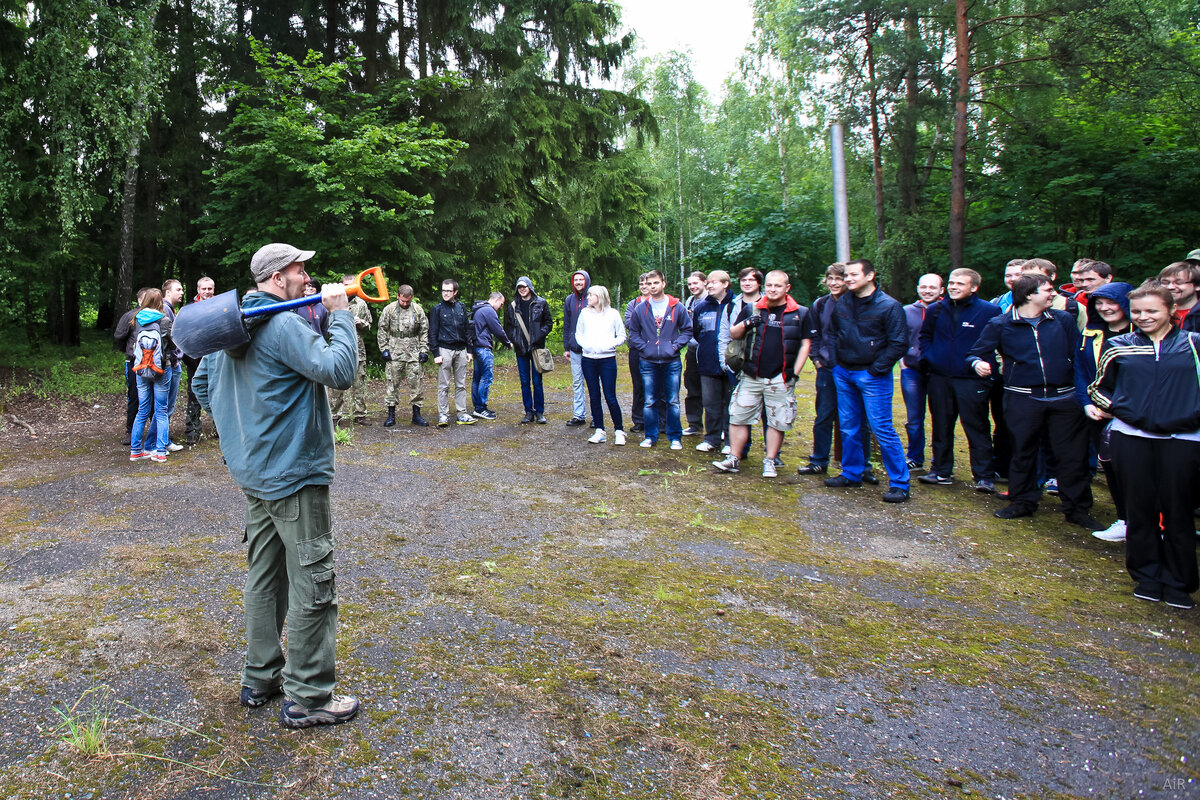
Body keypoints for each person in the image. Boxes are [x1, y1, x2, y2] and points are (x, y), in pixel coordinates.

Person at [191, 242, 360, 728]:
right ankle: (309, 695)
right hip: (293, 476)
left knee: (265, 577)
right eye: (299, 269)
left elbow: (204, 388)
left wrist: (242, 433)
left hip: (255, 476)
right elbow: (340, 371)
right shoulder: (284, 324)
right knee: (314, 580)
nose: (307, 277)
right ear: (276, 277)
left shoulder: (231, 325)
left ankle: (260, 676)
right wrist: (341, 314)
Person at [1088, 281, 1200, 610]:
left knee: (1177, 511)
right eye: (1137, 311)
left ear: (1171, 311)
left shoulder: (1193, 345)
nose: (1143, 317)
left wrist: (1191, 416)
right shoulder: (1119, 345)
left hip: (1183, 440)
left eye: (1152, 311)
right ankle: (1147, 576)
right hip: (1132, 437)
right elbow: (1098, 388)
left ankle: (1179, 582)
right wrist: (1121, 408)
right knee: (1140, 510)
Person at [966, 272, 1098, 527]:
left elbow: (1077, 356)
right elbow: (974, 354)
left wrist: (1083, 394)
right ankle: (1022, 502)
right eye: (1047, 289)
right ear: (1028, 295)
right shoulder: (1001, 324)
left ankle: (1077, 509)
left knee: (1072, 456)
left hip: (1064, 398)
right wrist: (978, 364)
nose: (1053, 293)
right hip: (1022, 399)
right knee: (1023, 452)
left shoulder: (1062, 320)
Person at [823, 259, 911, 503]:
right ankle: (852, 473)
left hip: (872, 376)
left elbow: (899, 343)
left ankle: (900, 483)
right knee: (848, 427)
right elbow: (831, 334)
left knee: (882, 429)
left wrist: (876, 370)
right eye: (846, 275)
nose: (847, 279)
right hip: (844, 372)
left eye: (853, 275)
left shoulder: (889, 306)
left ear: (870, 275)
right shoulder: (843, 303)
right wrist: (835, 363)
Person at [711, 270, 809, 478]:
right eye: (770, 285)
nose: (773, 289)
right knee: (738, 416)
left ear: (787, 288)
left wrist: (794, 374)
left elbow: (805, 345)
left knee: (776, 420)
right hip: (751, 374)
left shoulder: (799, 312)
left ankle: (770, 460)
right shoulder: (752, 308)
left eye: (778, 286)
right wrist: (747, 322)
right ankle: (734, 458)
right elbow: (734, 334)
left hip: (780, 377)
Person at [916, 269, 1000, 491]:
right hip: (939, 377)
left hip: (971, 379)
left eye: (960, 284)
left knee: (976, 426)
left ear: (973, 287)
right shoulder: (936, 309)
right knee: (941, 425)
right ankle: (941, 471)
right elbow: (925, 336)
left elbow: (995, 342)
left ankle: (984, 476)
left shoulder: (989, 311)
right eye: (951, 283)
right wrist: (929, 358)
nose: (953, 287)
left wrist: (985, 366)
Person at [795, 264, 874, 481]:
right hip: (828, 370)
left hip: (856, 369)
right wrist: (818, 360)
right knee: (824, 416)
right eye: (830, 278)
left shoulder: (860, 304)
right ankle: (819, 461)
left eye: (839, 278)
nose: (834, 283)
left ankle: (863, 466)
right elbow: (814, 335)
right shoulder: (820, 304)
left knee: (859, 419)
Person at [1074, 282, 1133, 542]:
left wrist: (1117, 407)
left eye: (1111, 302)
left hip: (1132, 414)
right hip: (1097, 411)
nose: (1105, 308)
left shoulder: (1140, 333)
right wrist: (1087, 402)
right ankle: (1125, 519)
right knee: (1112, 468)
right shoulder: (1091, 333)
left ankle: (1151, 522)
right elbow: (1081, 369)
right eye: (1099, 303)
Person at [626, 269, 692, 450]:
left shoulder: (676, 306)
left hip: (671, 361)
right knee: (649, 400)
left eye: (655, 283)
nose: (652, 287)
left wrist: (674, 346)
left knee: (672, 400)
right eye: (649, 284)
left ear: (663, 283)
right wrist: (645, 347)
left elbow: (687, 330)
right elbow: (633, 332)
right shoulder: (641, 308)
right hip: (648, 361)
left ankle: (675, 437)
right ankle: (650, 435)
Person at [901, 273, 943, 470]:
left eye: (933, 287)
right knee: (914, 417)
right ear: (918, 288)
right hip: (911, 370)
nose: (928, 291)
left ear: (941, 290)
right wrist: (902, 362)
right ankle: (915, 456)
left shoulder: (948, 310)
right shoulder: (907, 311)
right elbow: (899, 338)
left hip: (939, 372)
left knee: (941, 417)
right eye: (924, 287)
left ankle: (940, 461)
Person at [574, 285, 627, 445]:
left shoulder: (613, 314)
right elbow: (579, 334)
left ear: (600, 296)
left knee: (610, 396)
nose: (588, 297)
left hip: (607, 359)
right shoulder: (584, 314)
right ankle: (599, 430)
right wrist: (586, 346)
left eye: (591, 295)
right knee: (594, 395)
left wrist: (610, 345)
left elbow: (622, 335)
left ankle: (619, 430)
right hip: (588, 359)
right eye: (588, 295)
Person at [128, 288, 174, 463]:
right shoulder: (165, 320)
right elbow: (172, 342)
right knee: (161, 411)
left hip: (140, 369)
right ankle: (160, 451)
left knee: (142, 410)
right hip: (161, 368)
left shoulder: (136, 319)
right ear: (160, 302)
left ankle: (135, 451)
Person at [377, 284, 430, 427]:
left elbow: (424, 331)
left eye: (408, 301)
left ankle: (417, 415)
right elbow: (382, 329)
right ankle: (391, 415)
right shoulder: (390, 309)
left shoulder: (418, 310)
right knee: (392, 383)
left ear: (411, 297)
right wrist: (384, 349)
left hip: (413, 350)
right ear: (398, 296)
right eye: (403, 301)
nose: (405, 304)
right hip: (395, 350)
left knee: (416, 383)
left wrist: (424, 350)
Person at [691, 270, 732, 453]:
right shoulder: (702, 307)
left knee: (731, 404)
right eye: (708, 282)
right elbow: (697, 332)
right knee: (711, 403)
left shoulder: (735, 304)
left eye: (714, 282)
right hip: (707, 361)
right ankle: (712, 439)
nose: (709, 285)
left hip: (732, 363)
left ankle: (731, 442)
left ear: (725, 284)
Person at [503, 276, 553, 424]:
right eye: (519, 287)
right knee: (524, 382)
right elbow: (508, 327)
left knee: (537, 381)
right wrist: (516, 340)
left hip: (537, 348)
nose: (522, 289)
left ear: (530, 286)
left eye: (524, 286)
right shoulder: (513, 306)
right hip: (521, 349)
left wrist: (539, 334)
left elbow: (548, 323)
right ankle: (528, 412)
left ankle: (540, 412)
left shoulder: (541, 303)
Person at [428, 278, 476, 426]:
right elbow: (432, 332)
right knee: (444, 385)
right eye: (443, 290)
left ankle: (462, 413)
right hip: (445, 350)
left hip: (461, 350)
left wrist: (470, 350)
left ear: (455, 292)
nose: (446, 293)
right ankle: (443, 415)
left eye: (449, 291)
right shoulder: (437, 309)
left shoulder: (461, 307)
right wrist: (436, 353)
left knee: (460, 384)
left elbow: (467, 330)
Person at [146, 279, 186, 453]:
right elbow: (169, 341)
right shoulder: (166, 311)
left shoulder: (169, 310)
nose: (182, 292)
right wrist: (175, 358)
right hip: (170, 364)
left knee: (164, 407)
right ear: (167, 293)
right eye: (178, 289)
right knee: (165, 407)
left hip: (169, 363)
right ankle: (155, 443)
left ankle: (161, 441)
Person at [328, 273, 372, 426]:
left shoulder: (361, 303)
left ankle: (360, 414)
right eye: (346, 285)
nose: (350, 288)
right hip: (339, 349)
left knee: (359, 383)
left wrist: (361, 322)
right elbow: (326, 325)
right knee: (336, 384)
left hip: (358, 349)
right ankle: (335, 415)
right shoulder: (333, 303)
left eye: (352, 284)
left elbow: (369, 325)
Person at [114, 287, 152, 446]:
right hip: (133, 363)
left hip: (153, 364)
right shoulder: (130, 316)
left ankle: (156, 432)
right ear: (139, 300)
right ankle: (130, 431)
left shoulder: (157, 317)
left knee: (156, 398)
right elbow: (119, 337)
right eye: (146, 298)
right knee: (134, 397)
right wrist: (130, 352)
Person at [183, 277, 217, 447]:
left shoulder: (220, 307)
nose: (207, 292)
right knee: (194, 394)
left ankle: (219, 427)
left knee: (219, 394)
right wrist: (188, 358)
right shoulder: (188, 309)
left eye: (209, 289)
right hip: (195, 360)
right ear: (198, 290)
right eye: (204, 289)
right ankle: (192, 430)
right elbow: (182, 336)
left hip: (217, 359)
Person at [471, 291, 512, 419]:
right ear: (496, 300)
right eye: (501, 304)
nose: (501, 307)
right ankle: (481, 407)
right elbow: (498, 329)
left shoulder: (479, 309)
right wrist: (508, 343)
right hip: (483, 347)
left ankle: (478, 407)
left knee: (477, 377)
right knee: (486, 377)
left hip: (476, 347)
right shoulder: (488, 311)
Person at [562, 270, 592, 427]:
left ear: (586, 281)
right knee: (577, 382)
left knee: (593, 383)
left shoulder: (593, 297)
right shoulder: (569, 300)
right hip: (575, 348)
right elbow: (567, 324)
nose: (579, 282)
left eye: (581, 279)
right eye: (576, 280)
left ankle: (596, 416)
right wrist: (566, 346)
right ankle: (579, 415)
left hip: (592, 349)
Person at [681, 270, 708, 435]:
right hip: (692, 350)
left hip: (707, 350)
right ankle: (694, 423)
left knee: (712, 391)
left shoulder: (711, 301)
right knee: (692, 388)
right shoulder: (690, 301)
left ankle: (718, 428)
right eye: (690, 284)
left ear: (704, 282)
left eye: (695, 283)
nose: (692, 287)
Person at [1158, 261, 1200, 331]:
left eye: (1179, 282)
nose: (1170, 287)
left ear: (1197, 286)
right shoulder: (1152, 313)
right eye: (1165, 282)